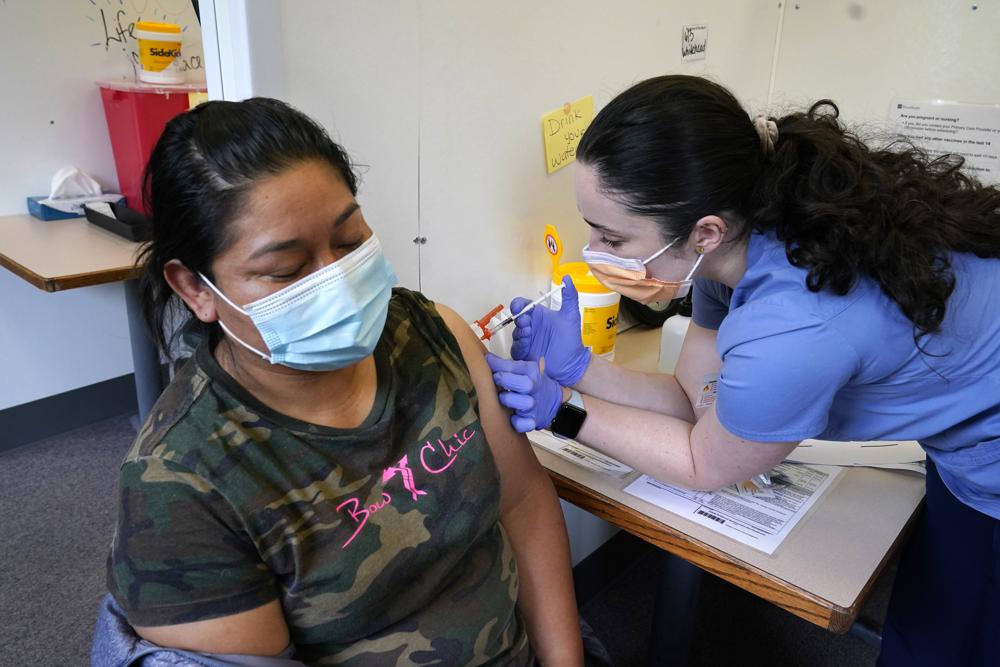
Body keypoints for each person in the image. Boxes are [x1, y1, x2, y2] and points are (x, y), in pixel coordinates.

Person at [487, 75, 1000, 666]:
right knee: (937, 622)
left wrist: (564, 411)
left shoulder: (791, 326)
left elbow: (705, 461)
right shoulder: (734, 246)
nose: (594, 251)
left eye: (614, 237)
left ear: (705, 231)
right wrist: (584, 370)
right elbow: (693, 397)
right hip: (965, 440)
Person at [100, 98, 583, 666]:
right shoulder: (182, 488)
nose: (338, 284)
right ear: (196, 289)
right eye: (287, 269)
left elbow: (523, 502)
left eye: (350, 241)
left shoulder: (434, 335)